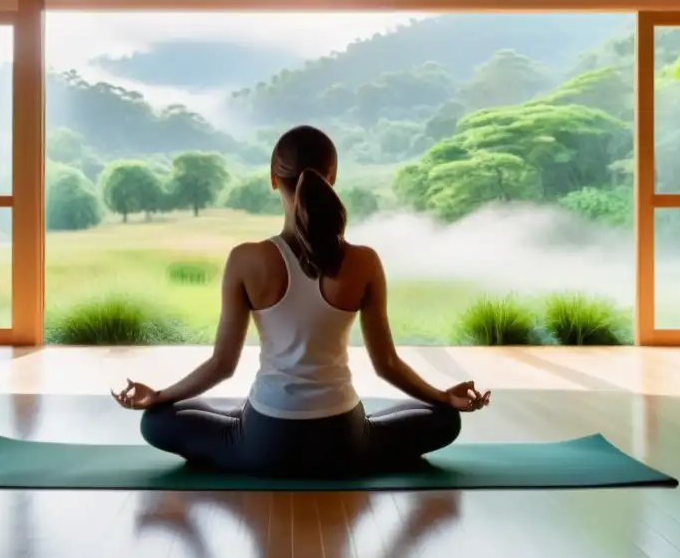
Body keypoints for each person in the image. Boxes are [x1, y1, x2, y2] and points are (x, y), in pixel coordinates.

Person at [112, 125, 490, 477]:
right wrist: (443, 396)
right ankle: (267, 423)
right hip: (344, 442)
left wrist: (158, 395)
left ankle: (237, 422)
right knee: (442, 417)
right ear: (333, 178)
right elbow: (386, 364)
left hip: (263, 443)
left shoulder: (245, 258)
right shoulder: (364, 261)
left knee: (159, 419)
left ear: (273, 179)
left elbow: (222, 365)